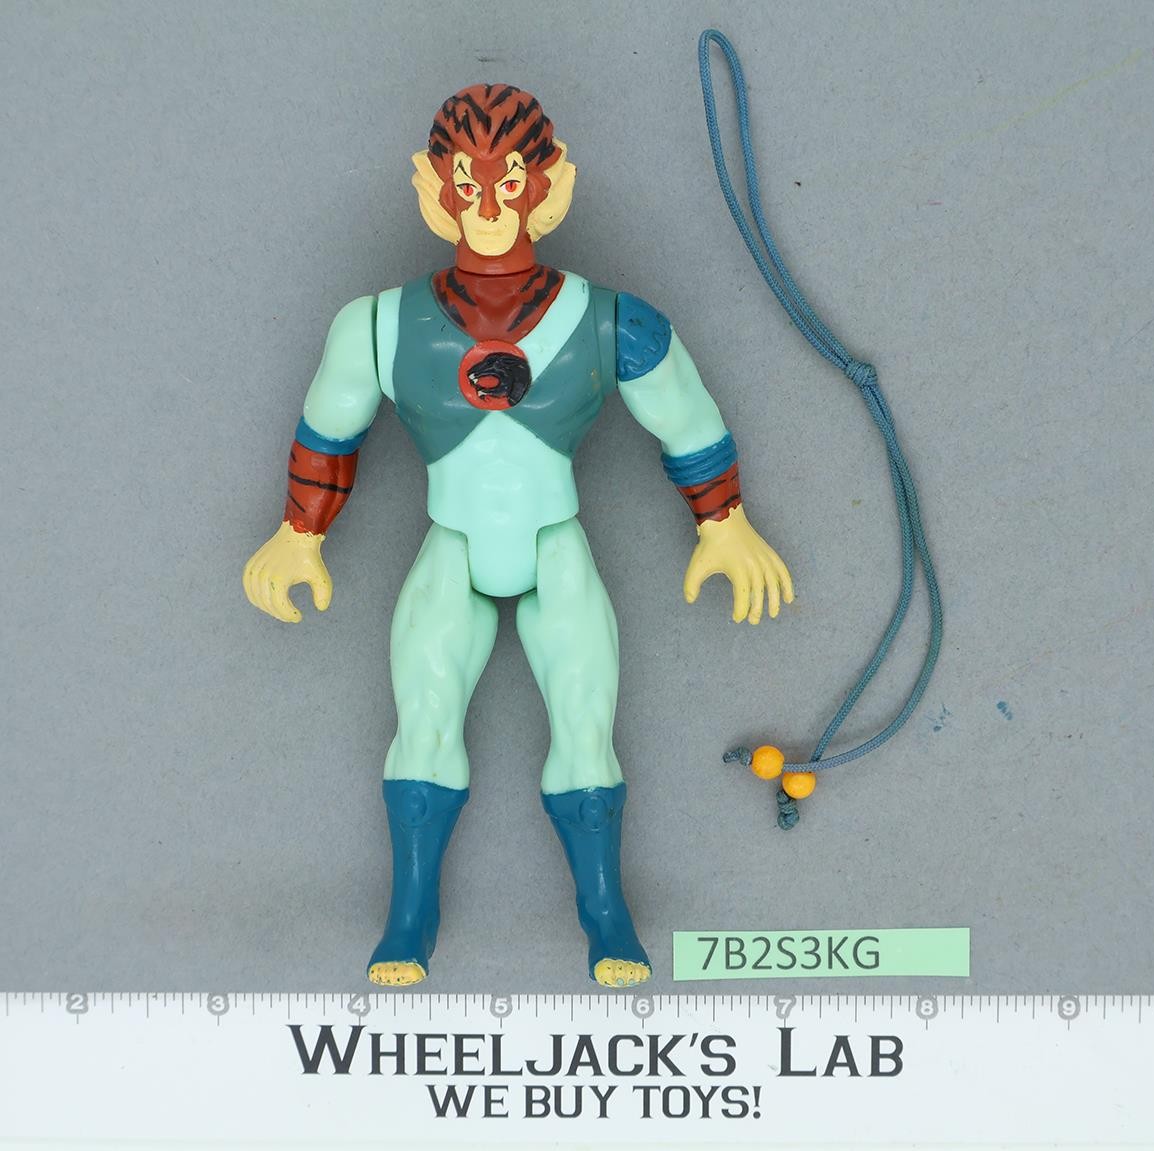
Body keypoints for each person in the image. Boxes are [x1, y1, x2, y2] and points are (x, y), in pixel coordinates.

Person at [243, 84, 793, 988]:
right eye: (469, 184)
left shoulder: (613, 320)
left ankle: (606, 915)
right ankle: (409, 916)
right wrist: (299, 532)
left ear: (551, 186)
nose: (490, 207)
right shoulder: (377, 325)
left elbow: (688, 419)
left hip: (553, 545)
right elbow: (327, 432)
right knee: (424, 721)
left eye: (509, 184)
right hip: (453, 545)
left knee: (585, 723)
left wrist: (724, 521)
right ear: (435, 190)